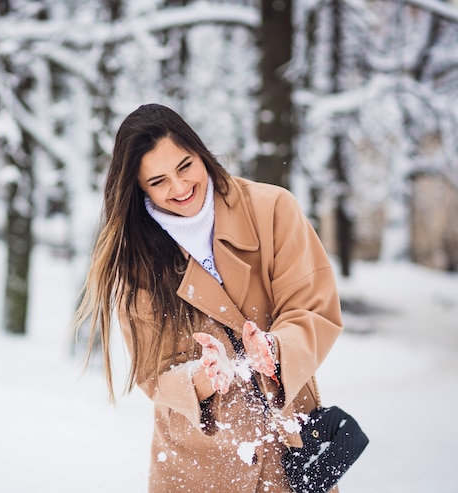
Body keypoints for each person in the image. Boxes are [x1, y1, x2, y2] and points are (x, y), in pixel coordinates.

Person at [72, 103, 343, 492]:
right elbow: (154, 373)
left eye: (185, 166)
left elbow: (312, 306)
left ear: (200, 152)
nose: (180, 188)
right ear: (139, 188)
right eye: (159, 181)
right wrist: (201, 377)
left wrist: (276, 349)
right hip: (197, 467)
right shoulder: (138, 259)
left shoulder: (272, 209)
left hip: (291, 451)